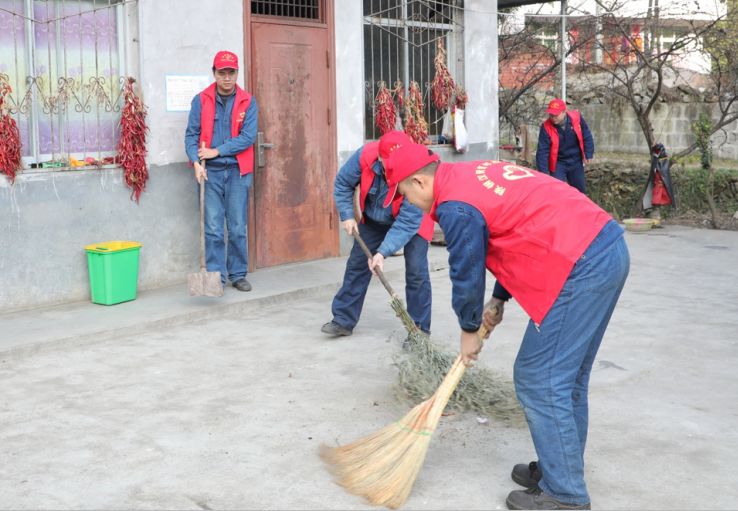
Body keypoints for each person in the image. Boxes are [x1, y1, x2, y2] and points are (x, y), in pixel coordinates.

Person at [383, 144, 630, 510]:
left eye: (404, 195)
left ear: (419, 181)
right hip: (604, 248)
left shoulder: (454, 205)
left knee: (539, 377)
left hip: (581, 263)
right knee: (566, 378)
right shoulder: (468, 176)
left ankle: (565, 494)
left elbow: (466, 272)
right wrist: (499, 298)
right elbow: (514, 230)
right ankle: (560, 468)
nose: (408, 204)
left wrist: (468, 331)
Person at [321, 131, 434, 338]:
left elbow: (408, 222)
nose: (392, 170)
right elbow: (343, 184)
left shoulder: (419, 171)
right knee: (357, 264)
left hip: (414, 220)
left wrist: (382, 253)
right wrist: (347, 215)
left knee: (417, 271)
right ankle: (343, 320)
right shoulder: (364, 156)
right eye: (387, 165)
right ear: (379, 156)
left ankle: (419, 331)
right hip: (376, 217)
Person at [185, 50, 258, 292]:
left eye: (231, 72)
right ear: (214, 73)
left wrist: (217, 151)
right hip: (209, 173)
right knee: (214, 228)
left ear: (237, 73)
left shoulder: (248, 101)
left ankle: (238, 274)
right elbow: (191, 135)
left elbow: (248, 138)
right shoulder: (201, 100)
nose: (227, 78)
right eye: (222, 73)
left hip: (238, 172)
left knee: (237, 226)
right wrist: (195, 162)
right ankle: (216, 276)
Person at [535, 98, 594, 193]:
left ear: (564, 112)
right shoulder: (546, 127)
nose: (553, 117)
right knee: (556, 191)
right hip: (558, 163)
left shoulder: (577, 118)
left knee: (579, 191)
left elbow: (586, 134)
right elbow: (542, 152)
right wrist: (544, 173)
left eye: (556, 115)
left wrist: (589, 152)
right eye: (551, 115)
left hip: (576, 161)